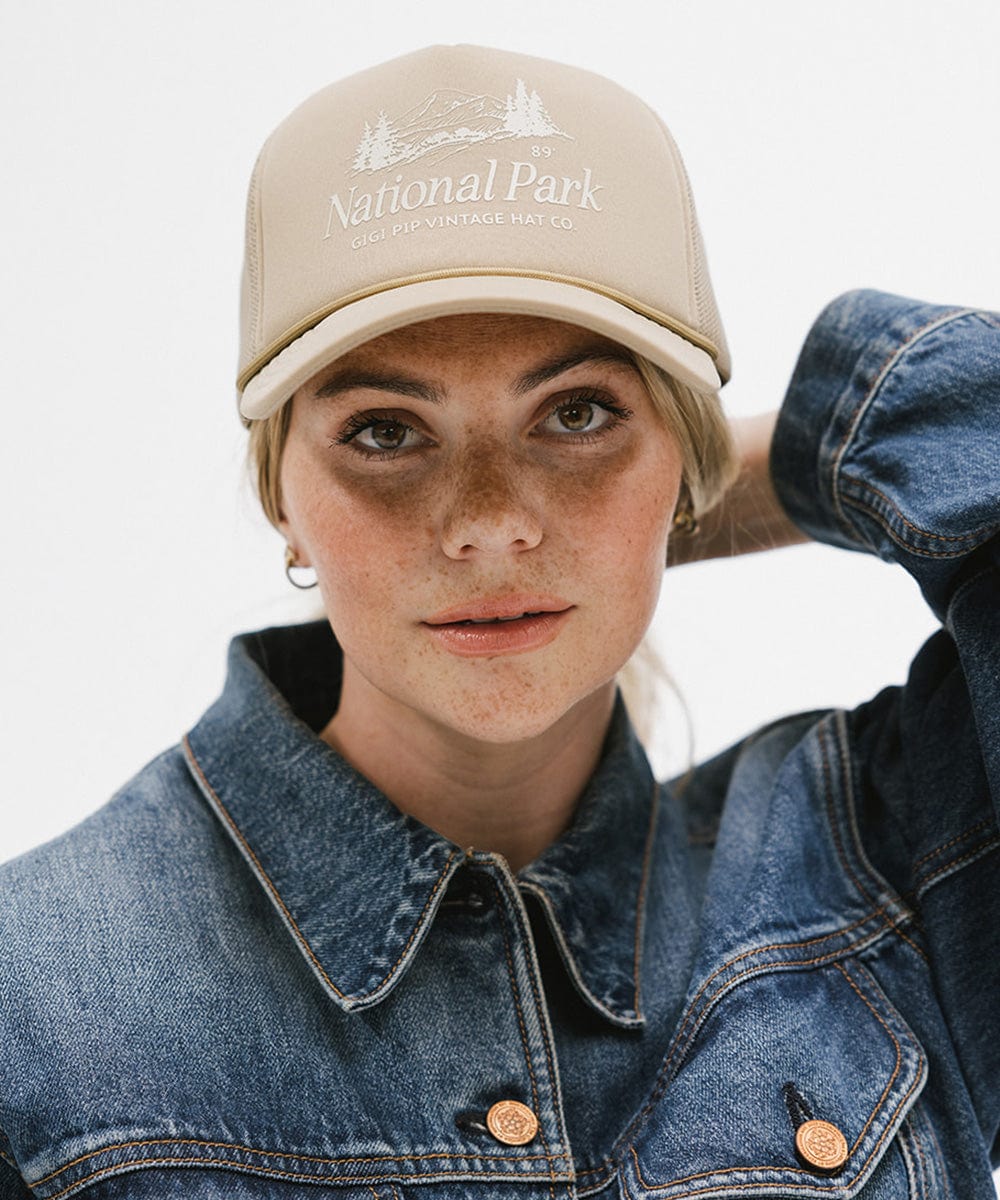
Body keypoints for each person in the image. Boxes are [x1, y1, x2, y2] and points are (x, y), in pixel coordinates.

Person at [1, 42, 998, 1199]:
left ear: (684, 456)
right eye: (384, 431)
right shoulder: (36, 1010)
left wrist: (739, 481)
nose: (488, 523)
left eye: (576, 413)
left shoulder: (886, 863)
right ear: (282, 496)